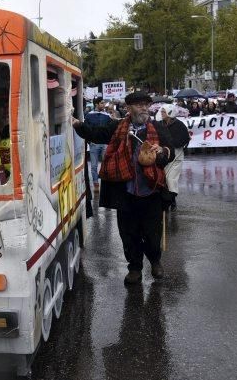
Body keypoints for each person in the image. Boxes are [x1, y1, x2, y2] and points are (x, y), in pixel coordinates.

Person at [73, 91, 175, 286]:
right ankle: (135, 268)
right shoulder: (118, 127)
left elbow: (169, 151)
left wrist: (161, 151)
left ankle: (155, 261)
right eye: (139, 105)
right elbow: (96, 134)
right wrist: (77, 123)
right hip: (126, 193)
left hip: (151, 191)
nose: (144, 108)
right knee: (129, 235)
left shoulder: (157, 128)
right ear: (128, 108)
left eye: (146, 104)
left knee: (153, 234)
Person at [158, 104, 190, 211]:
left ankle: (171, 200)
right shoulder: (160, 124)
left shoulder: (179, 125)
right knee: (164, 179)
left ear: (169, 112)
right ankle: (169, 200)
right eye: (161, 111)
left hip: (176, 155)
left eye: (164, 112)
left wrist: (172, 143)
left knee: (171, 178)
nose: (162, 113)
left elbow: (185, 139)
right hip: (164, 155)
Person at [84, 99, 112, 191]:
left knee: (106, 164)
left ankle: (106, 183)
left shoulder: (107, 116)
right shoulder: (89, 116)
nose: (104, 105)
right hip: (94, 144)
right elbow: (86, 129)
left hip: (104, 144)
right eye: (102, 103)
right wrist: (89, 141)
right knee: (94, 166)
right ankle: (96, 184)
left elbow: (110, 129)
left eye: (104, 103)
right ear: (96, 104)